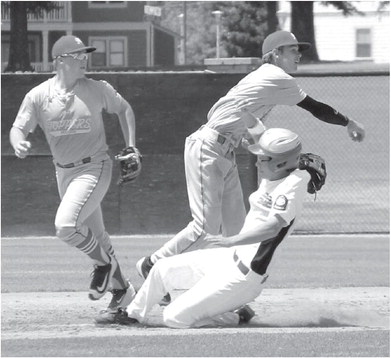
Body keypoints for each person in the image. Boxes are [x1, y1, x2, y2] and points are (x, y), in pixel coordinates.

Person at [135, 30, 365, 295]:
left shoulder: (265, 82)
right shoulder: (276, 76)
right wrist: (350, 123)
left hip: (224, 151)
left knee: (235, 232)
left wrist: (250, 137)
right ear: (276, 54)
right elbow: (316, 108)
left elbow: (237, 118)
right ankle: (152, 265)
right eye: (293, 49)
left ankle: (220, 295)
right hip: (208, 148)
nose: (299, 54)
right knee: (204, 228)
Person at [96, 128, 316, 327]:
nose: (257, 163)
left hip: (245, 277)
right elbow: (261, 133)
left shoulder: (292, 186)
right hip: (229, 258)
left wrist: (230, 240)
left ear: (280, 163)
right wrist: (244, 112)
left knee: (174, 317)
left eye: (262, 159)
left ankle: (236, 315)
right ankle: (132, 315)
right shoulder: (278, 170)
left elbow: (273, 228)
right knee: (161, 269)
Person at [9, 35, 139, 314]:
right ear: (60, 61)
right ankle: (124, 291)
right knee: (98, 236)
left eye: (85, 55)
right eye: (78, 55)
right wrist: (17, 141)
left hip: (94, 166)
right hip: (64, 173)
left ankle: (103, 265)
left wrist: (131, 146)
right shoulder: (38, 96)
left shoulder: (95, 89)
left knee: (66, 226)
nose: (84, 60)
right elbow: (17, 128)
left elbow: (124, 108)